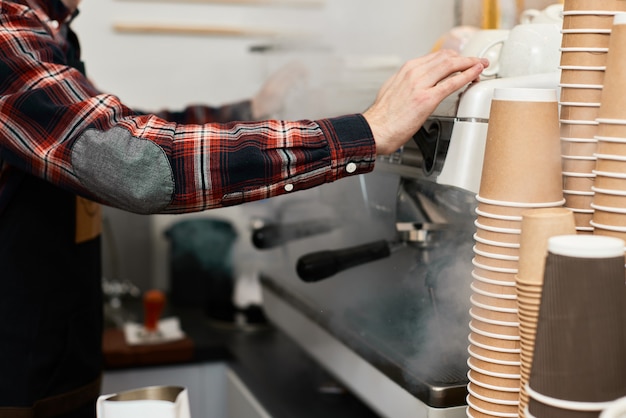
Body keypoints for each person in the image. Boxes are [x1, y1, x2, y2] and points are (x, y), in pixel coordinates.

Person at [0, 0, 488, 416]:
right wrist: (366, 132)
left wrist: (251, 109)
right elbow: (136, 163)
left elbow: (112, 129)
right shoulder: (7, 29)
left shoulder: (53, 30)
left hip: (55, 369)